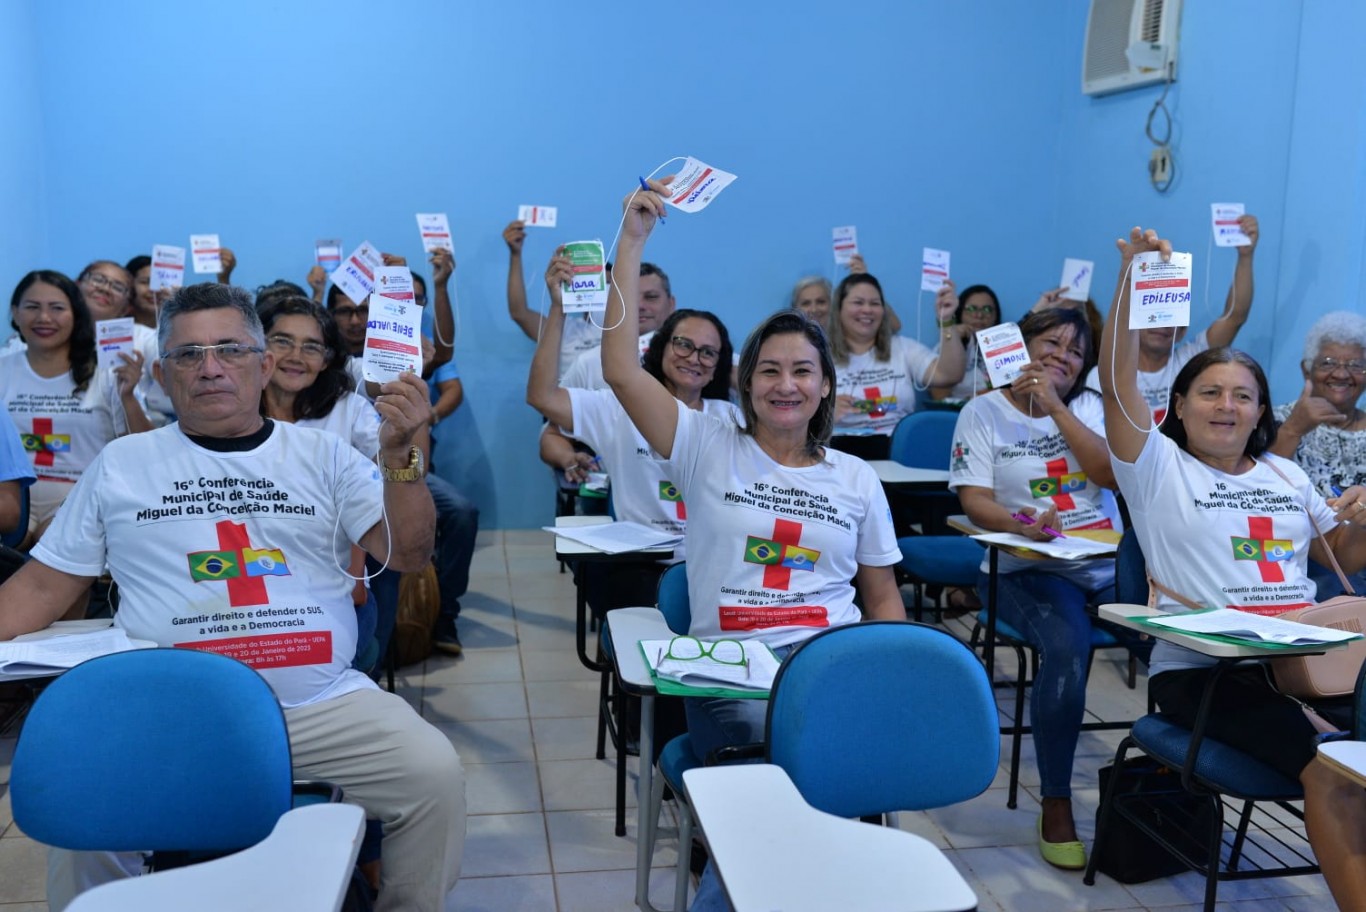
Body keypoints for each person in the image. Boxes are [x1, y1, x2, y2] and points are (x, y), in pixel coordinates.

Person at [0, 282, 465, 912]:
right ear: (162, 374)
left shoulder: (322, 455)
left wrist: (400, 456)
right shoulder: (123, 464)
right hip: (167, 711)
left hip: (316, 708)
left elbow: (407, 554)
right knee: (89, 800)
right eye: (189, 356)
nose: (210, 367)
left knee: (433, 774)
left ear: (263, 364)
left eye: (229, 350)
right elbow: (41, 586)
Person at [603, 179, 904, 912]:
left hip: (826, 667)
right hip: (729, 675)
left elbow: (883, 598)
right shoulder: (706, 442)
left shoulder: (857, 479)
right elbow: (617, 367)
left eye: (803, 370)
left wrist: (893, 680)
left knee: (804, 815)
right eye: (769, 369)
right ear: (745, 383)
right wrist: (632, 244)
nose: (785, 384)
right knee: (781, 814)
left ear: (827, 387)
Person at [1100, 226, 1366, 909]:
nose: (1227, 406)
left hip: (1314, 664)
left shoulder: (1284, 472)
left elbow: (1344, 559)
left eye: (1242, 395)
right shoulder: (1155, 466)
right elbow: (1116, 378)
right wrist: (1130, 276)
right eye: (1210, 393)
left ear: (1259, 411)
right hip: (1208, 676)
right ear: (1178, 406)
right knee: (1334, 775)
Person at [949, 305, 1130, 870]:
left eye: (1075, 351)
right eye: (1049, 343)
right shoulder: (981, 412)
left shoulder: (1092, 409)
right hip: (1029, 569)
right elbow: (975, 500)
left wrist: (1053, 407)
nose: (1061, 357)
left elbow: (1105, 474)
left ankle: (1168, 783)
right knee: (1067, 649)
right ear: (1018, 346)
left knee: (1172, 638)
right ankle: (1056, 801)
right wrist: (1018, 521)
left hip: (1103, 566)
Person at [528, 247, 737, 608]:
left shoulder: (732, 419)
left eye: (707, 352)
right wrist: (559, 309)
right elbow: (542, 396)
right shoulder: (618, 409)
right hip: (641, 564)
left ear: (719, 366)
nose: (693, 357)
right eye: (683, 345)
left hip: (717, 563)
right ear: (659, 348)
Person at [0, 271, 150, 542]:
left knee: (53, 542)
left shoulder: (108, 373)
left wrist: (128, 397)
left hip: (80, 501)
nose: (44, 318)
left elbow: (146, 449)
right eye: (32, 307)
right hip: (10, 501)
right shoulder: (3, 368)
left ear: (76, 314)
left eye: (57, 308)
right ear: (15, 312)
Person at [1086, 213, 1260, 423]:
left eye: (1169, 317)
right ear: (1135, 320)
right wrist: (1130, 274)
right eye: (1154, 315)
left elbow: (1235, 316)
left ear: (1182, 331)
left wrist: (1246, 256)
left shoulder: (1191, 361)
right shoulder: (1104, 374)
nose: (1162, 324)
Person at [1270, 311, 1366, 598]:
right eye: (1328, 363)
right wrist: (1293, 430)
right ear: (1306, 370)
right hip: (1307, 557)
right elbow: (1255, 482)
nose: (1341, 373)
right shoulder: (1277, 421)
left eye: (1356, 364)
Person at [827, 272, 966, 460]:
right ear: (839, 309)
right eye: (858, 302)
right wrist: (825, 416)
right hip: (840, 453)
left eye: (875, 303)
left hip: (899, 451)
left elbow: (949, 375)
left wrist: (947, 320)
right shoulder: (820, 356)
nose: (867, 310)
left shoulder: (903, 348)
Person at [503, 220, 603, 377]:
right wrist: (516, 255)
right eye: (600, 284)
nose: (606, 291)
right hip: (567, 400)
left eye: (609, 285)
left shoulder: (632, 330)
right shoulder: (564, 328)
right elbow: (519, 313)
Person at [931, 283, 1001, 402]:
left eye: (987, 309)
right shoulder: (943, 348)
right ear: (959, 312)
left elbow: (1012, 393)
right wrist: (955, 342)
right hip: (953, 415)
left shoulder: (1006, 348)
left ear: (996, 315)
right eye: (971, 308)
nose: (979, 315)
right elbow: (938, 396)